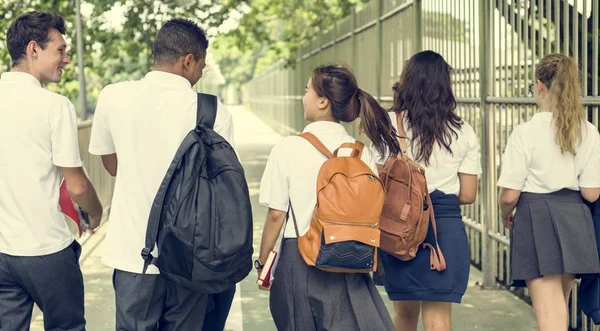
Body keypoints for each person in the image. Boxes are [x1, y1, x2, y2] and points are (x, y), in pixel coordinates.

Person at [89, 18, 235, 330]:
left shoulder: (113, 97)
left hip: (132, 256)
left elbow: (112, 165)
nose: (199, 74)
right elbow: (222, 189)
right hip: (190, 258)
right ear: (187, 61)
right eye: (201, 66)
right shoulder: (212, 110)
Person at [257, 64, 398, 330]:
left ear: (323, 101)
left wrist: (263, 262)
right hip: (350, 257)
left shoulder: (288, 148)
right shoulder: (361, 153)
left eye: (307, 90)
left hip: (298, 258)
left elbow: (277, 214)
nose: (303, 97)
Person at [0, 11, 103, 330]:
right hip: (47, 251)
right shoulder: (54, 107)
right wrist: (96, 214)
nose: (66, 59)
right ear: (33, 49)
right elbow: (76, 186)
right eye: (60, 50)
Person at [373, 50, 481, 331]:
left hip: (399, 228)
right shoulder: (462, 131)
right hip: (444, 230)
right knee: (438, 321)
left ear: (406, 82)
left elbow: (374, 183)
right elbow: (469, 194)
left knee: (404, 315)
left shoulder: (388, 124)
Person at [498, 53, 600, 331]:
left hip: (536, 217)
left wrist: (505, 215)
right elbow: (592, 192)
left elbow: (509, 195)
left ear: (540, 85)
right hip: (575, 220)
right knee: (558, 306)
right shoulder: (589, 131)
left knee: (549, 313)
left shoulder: (525, 132)